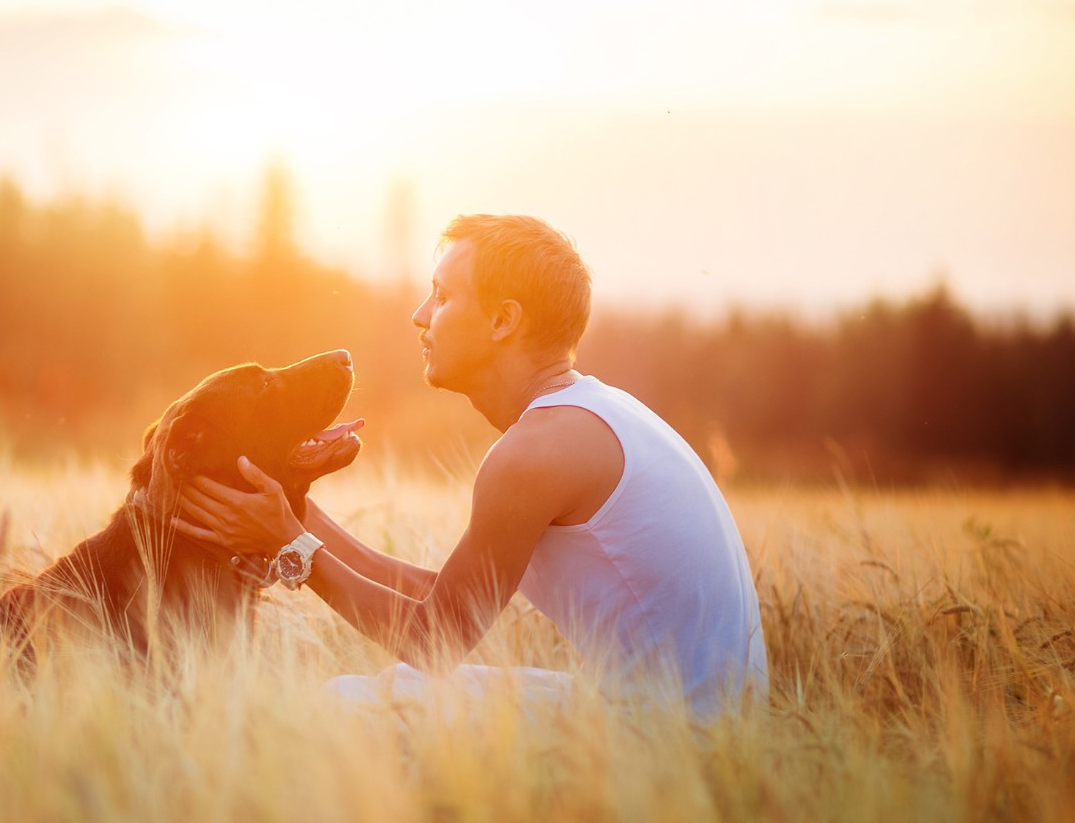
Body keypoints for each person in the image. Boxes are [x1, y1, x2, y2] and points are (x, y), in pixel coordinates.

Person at [170, 214, 767, 719]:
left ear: (503, 321)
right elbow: (444, 597)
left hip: (672, 737)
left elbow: (435, 639)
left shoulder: (535, 454)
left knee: (340, 713)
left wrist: (291, 549)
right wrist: (297, 515)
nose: (420, 314)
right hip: (687, 712)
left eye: (444, 295)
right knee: (386, 697)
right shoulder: (589, 417)